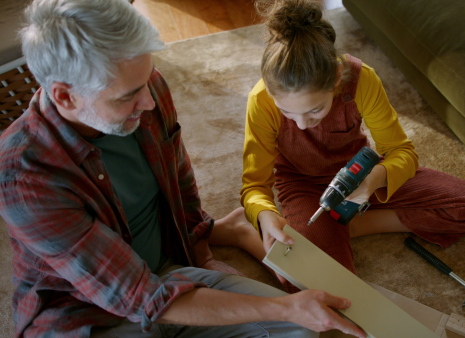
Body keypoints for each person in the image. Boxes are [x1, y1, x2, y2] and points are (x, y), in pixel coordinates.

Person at [0, 0, 366, 337]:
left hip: (170, 274)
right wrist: (281, 306)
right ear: (65, 96)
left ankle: (223, 236)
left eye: (147, 79)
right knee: (289, 314)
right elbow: (141, 296)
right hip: (87, 315)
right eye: (128, 95)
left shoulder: (149, 89)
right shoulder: (23, 176)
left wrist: (201, 252)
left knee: (298, 331)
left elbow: (179, 178)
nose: (148, 100)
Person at [236, 0, 465, 292]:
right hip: (304, 185)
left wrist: (373, 180)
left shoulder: (361, 79)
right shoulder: (260, 100)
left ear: (336, 79)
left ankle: (351, 226)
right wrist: (264, 216)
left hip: (358, 174)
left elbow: (402, 152)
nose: (301, 125)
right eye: (287, 113)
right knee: (318, 287)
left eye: (315, 110)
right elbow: (254, 187)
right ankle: (247, 235)